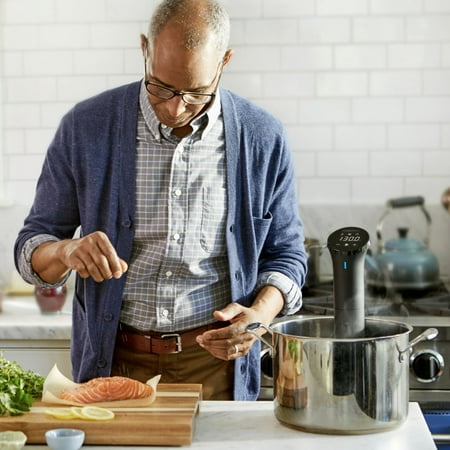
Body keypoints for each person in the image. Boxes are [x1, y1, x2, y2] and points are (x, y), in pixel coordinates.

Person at [14, 0, 307, 400]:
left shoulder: (263, 138)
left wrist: (258, 317)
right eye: (161, 87)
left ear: (224, 61)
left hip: (217, 367)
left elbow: (287, 255)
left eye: (197, 93)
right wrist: (66, 251)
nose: (176, 108)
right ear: (144, 49)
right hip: (113, 360)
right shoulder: (86, 128)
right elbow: (31, 248)